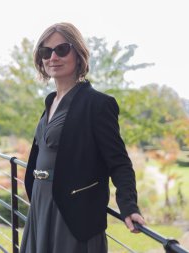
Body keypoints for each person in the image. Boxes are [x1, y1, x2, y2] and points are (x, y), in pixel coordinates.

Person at [20, 22, 145, 253]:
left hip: (72, 214)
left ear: (79, 54)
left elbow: (118, 162)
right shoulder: (50, 102)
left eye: (62, 49)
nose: (53, 57)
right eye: (46, 52)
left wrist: (129, 206)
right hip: (41, 204)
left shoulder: (98, 104)